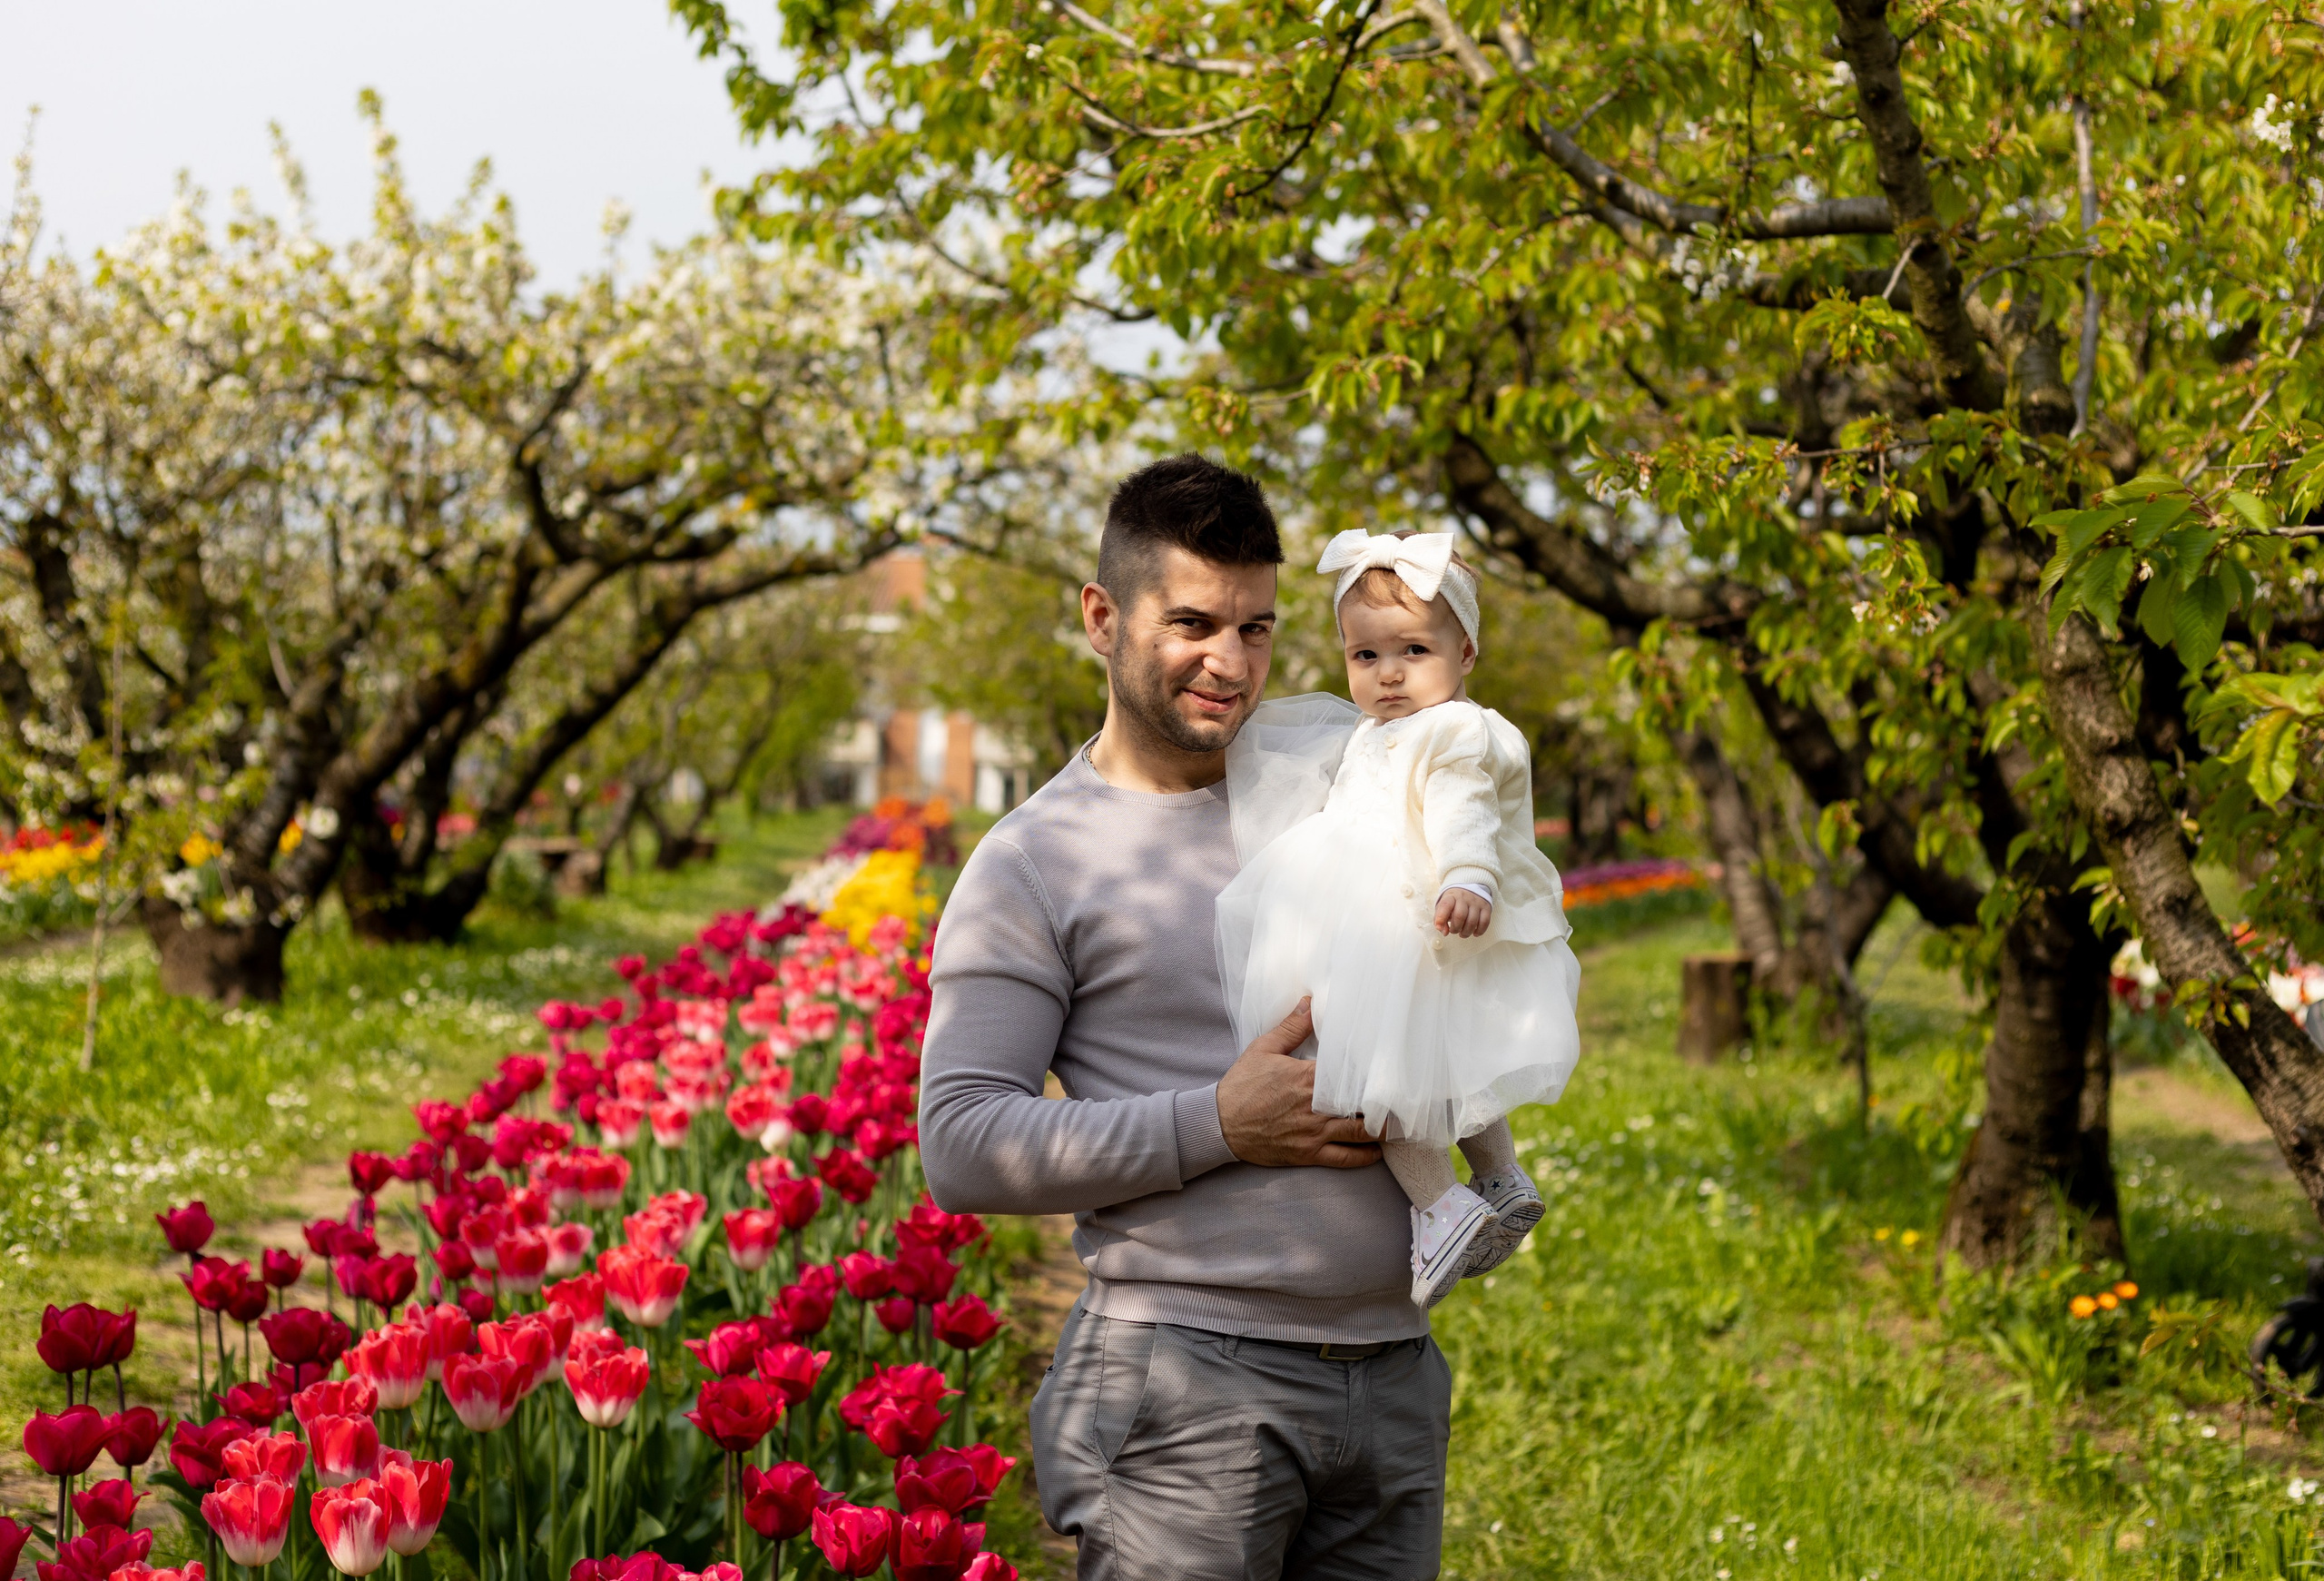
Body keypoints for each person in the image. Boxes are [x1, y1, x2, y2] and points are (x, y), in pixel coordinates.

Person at [919, 454, 1447, 1580]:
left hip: (1394, 1374)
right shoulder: (1034, 860)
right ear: (1102, 618)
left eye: (1257, 628)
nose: (1232, 663)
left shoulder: (1340, 790)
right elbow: (960, 1143)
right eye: (1193, 623)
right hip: (1184, 1387)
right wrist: (1217, 1120)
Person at [1215, 529, 1582, 1310]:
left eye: (1414, 650)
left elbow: (1463, 806)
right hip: (1403, 926)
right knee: (1443, 1067)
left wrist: (1469, 874)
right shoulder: (1378, 731)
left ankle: (1440, 1207)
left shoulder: (1450, 730)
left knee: (1378, 1076)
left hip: (1404, 924)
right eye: (1366, 655)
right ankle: (1501, 1176)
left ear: (1466, 653)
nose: (1388, 673)